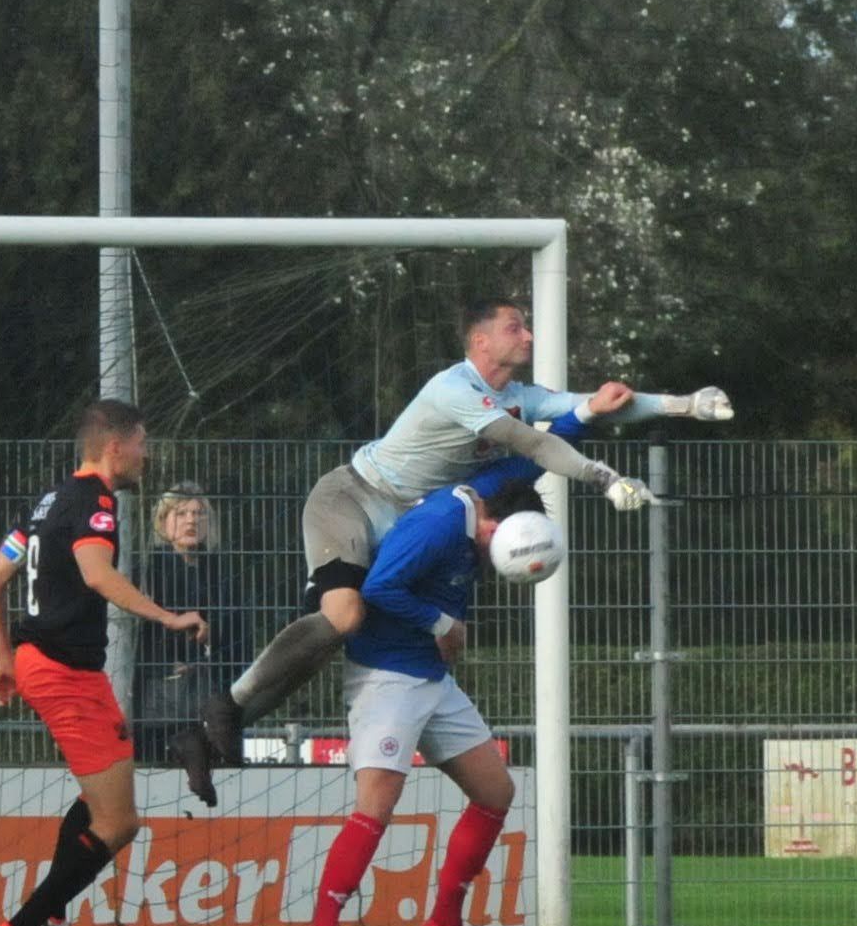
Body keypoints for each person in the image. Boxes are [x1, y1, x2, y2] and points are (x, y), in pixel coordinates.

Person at [172, 297, 732, 803]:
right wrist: (605, 478)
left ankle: (208, 733)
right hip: (352, 499)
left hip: (403, 523)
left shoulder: (517, 396)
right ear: (481, 342)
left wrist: (685, 405)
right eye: (517, 327)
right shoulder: (455, 389)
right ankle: (227, 705)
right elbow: (532, 442)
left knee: (337, 634)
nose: (530, 337)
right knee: (344, 616)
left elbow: (600, 406)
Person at [0, 400, 206, 926]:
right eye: (143, 443)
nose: (147, 455)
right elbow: (96, 573)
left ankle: (48, 923)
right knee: (120, 822)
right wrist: (169, 617)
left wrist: (5, 660)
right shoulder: (95, 501)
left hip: (52, 666)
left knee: (104, 805)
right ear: (116, 445)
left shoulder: (49, 501)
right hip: (63, 673)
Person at [296, 476, 545, 926]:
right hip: (386, 676)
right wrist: (441, 624)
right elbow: (380, 586)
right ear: (490, 518)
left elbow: (530, 447)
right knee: (376, 807)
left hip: (430, 678)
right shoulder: (438, 523)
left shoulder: (478, 522)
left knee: (496, 793)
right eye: (503, 539)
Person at [130, 483, 245, 745]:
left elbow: (239, 633)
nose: (191, 520)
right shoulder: (147, 571)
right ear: (162, 521)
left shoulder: (223, 572)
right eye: (181, 514)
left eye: (199, 513)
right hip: (160, 695)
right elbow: (138, 636)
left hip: (216, 689)